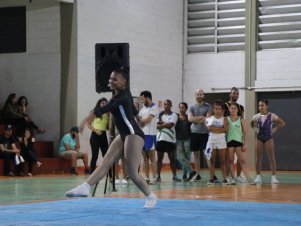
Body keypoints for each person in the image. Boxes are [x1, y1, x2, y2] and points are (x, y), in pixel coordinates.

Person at [65, 67, 157, 208]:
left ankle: (150, 196)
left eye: (115, 79)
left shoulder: (120, 98)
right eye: (110, 78)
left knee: (132, 172)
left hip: (134, 134)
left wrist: (84, 122)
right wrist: (140, 119)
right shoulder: (125, 93)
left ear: (123, 82)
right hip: (125, 134)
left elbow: (101, 110)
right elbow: (133, 109)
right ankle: (85, 187)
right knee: (106, 162)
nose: (111, 81)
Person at [251, 99, 286, 184]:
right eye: (259, 105)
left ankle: (273, 177)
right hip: (259, 138)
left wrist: (274, 129)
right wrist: (256, 129)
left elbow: (282, 123)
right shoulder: (256, 116)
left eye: (262, 105)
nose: (260, 107)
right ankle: (258, 177)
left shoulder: (272, 115)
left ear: (266, 106)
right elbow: (251, 124)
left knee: (272, 158)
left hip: (268, 138)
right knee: (258, 158)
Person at [226, 103, 254, 184]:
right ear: (229, 110)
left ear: (238, 110)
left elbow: (245, 133)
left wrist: (245, 143)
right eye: (231, 108)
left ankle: (248, 178)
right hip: (229, 142)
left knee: (242, 160)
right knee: (231, 160)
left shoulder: (242, 120)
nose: (233, 110)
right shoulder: (226, 119)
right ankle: (233, 178)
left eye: (235, 108)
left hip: (239, 142)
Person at [188, 89, 212, 181]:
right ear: (195, 95)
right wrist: (202, 117)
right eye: (198, 94)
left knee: (207, 155)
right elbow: (190, 119)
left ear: (203, 95)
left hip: (205, 133)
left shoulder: (208, 106)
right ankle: (198, 175)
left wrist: (196, 119)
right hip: (194, 133)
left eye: (201, 94)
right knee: (196, 155)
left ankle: (211, 175)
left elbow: (208, 119)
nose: (199, 96)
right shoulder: (192, 107)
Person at [156, 99, 181, 182]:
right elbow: (157, 126)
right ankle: (158, 176)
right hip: (160, 138)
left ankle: (174, 176)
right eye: (165, 104)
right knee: (159, 159)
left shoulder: (174, 115)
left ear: (171, 105)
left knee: (172, 159)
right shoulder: (160, 115)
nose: (166, 106)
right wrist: (165, 124)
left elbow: (170, 125)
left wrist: (162, 124)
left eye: (168, 104)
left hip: (170, 140)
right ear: (164, 105)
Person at [223, 87, 245, 183]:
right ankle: (229, 176)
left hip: (238, 135)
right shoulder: (224, 106)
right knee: (229, 157)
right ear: (230, 94)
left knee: (240, 157)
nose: (235, 95)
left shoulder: (240, 107)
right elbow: (223, 120)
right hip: (228, 135)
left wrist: (244, 136)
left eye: (237, 93)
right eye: (233, 93)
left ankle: (239, 176)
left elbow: (242, 122)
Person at [205, 100, 228, 185]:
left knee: (223, 160)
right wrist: (220, 129)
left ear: (222, 110)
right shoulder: (209, 119)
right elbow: (209, 128)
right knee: (212, 160)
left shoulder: (225, 119)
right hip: (212, 141)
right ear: (213, 110)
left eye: (219, 109)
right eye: (216, 109)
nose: (217, 110)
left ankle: (225, 179)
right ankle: (211, 179)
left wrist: (215, 129)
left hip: (221, 141)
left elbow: (225, 130)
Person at [85, 97, 110, 174]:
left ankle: (110, 174)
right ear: (99, 104)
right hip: (95, 135)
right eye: (102, 103)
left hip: (103, 135)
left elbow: (109, 126)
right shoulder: (94, 112)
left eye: (106, 104)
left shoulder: (108, 114)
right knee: (95, 155)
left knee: (106, 155)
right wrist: (96, 130)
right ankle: (92, 173)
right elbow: (88, 124)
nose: (104, 105)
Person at [139, 90, 159, 184]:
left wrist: (140, 122)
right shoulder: (143, 109)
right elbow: (138, 120)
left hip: (151, 136)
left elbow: (148, 120)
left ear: (147, 98)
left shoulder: (154, 107)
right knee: (145, 158)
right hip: (142, 135)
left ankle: (154, 178)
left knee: (152, 157)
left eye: (142, 99)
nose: (142, 101)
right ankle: (147, 178)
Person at [175, 102, 196, 181]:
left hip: (188, 140)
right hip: (178, 140)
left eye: (183, 107)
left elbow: (195, 124)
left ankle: (184, 175)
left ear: (186, 109)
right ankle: (191, 171)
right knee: (180, 157)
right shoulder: (176, 117)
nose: (181, 109)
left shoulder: (188, 118)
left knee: (187, 158)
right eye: (180, 107)